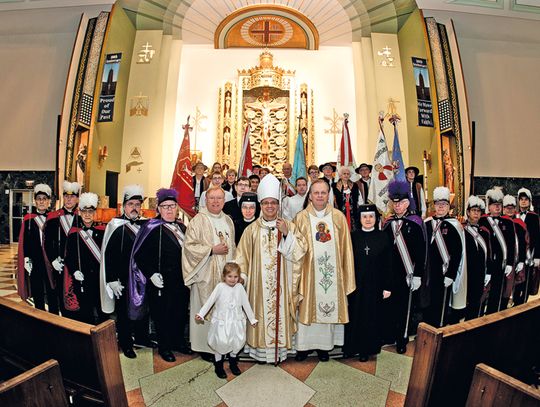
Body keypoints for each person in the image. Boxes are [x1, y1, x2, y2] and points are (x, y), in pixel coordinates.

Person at [235, 174, 307, 363]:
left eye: (273, 203)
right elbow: (241, 256)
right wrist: (242, 276)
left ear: (278, 205)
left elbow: (301, 250)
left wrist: (286, 235)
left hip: (282, 287)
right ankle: (260, 352)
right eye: (266, 203)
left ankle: (280, 352)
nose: (269, 206)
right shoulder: (251, 230)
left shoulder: (288, 225)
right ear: (261, 204)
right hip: (259, 288)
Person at [294, 179, 355, 362]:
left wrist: (346, 274)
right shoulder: (301, 218)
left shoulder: (337, 217)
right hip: (309, 274)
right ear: (310, 196)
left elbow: (346, 248)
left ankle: (324, 347)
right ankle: (303, 348)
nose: (320, 196)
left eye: (323, 192)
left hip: (332, 274)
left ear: (328, 194)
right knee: (306, 310)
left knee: (328, 306)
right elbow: (295, 248)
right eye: (316, 193)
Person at [129, 188, 192, 362]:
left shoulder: (182, 227)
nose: (169, 209)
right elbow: (139, 255)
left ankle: (178, 341)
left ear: (177, 207)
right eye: (165, 206)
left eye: (172, 206)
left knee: (179, 313)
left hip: (181, 280)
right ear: (159, 209)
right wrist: (151, 274)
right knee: (162, 315)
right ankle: (164, 347)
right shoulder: (150, 227)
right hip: (160, 282)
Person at [183, 187, 235, 361]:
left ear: (224, 200)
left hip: (225, 276)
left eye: (219, 198)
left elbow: (233, 248)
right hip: (204, 275)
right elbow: (189, 247)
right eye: (212, 198)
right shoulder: (198, 220)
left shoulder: (228, 220)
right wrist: (211, 250)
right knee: (204, 310)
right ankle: (204, 347)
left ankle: (222, 344)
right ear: (206, 200)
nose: (215, 201)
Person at [100, 185, 153, 359]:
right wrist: (112, 279)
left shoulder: (146, 225)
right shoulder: (116, 226)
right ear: (124, 206)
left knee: (144, 308)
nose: (134, 208)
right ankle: (125, 342)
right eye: (131, 204)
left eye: (138, 204)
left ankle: (142, 338)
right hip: (123, 278)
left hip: (143, 277)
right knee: (124, 312)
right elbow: (108, 254)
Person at [381, 180, 426, 353]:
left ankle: (402, 338)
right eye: (395, 203)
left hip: (407, 274)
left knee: (404, 308)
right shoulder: (387, 224)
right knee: (390, 307)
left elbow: (421, 252)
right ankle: (390, 334)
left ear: (407, 203)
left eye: (401, 203)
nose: (397, 206)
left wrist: (418, 275)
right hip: (390, 274)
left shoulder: (414, 224)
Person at [344, 204, 392, 361]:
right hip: (356, 286)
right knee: (356, 316)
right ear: (359, 219)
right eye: (364, 217)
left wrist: (387, 286)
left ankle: (368, 349)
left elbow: (389, 263)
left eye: (371, 216)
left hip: (376, 286)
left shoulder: (383, 236)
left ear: (376, 218)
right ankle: (353, 347)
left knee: (372, 318)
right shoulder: (353, 237)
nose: (368, 219)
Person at [196, 262, 258, 379]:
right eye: (230, 276)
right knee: (221, 343)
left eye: (235, 277)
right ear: (224, 276)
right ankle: (218, 366)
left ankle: (233, 364)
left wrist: (252, 318)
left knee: (236, 342)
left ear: (239, 277)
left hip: (236, 321)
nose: (232, 279)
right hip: (222, 322)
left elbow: (246, 304)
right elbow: (210, 301)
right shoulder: (220, 287)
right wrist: (201, 314)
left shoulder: (240, 288)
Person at [424, 186, 466, 327]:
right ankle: (426, 331)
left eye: (444, 204)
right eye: (438, 204)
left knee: (440, 304)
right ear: (434, 206)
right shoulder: (427, 224)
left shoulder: (455, 225)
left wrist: (451, 274)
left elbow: (458, 252)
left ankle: (438, 331)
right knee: (427, 303)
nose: (441, 207)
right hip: (428, 272)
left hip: (444, 273)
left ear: (449, 207)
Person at [63, 192, 106, 325]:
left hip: (99, 279)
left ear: (95, 213)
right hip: (82, 278)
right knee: (85, 312)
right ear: (80, 212)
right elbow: (69, 256)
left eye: (90, 211)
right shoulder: (73, 233)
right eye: (84, 211)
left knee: (102, 311)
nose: (87, 214)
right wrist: (75, 270)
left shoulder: (103, 231)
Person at [17, 184, 56, 313]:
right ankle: (39, 320)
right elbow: (25, 242)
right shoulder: (28, 220)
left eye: (44, 199)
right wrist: (26, 258)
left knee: (52, 292)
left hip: (51, 262)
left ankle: (54, 321)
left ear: (49, 201)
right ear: (35, 201)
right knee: (38, 292)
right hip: (36, 262)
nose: (41, 201)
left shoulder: (54, 220)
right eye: (39, 198)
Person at [43, 181, 80, 316]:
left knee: (77, 298)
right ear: (63, 197)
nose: (69, 199)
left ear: (77, 199)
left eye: (72, 196)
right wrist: (53, 260)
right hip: (60, 265)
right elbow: (47, 242)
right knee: (59, 296)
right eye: (66, 196)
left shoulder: (82, 218)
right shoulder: (53, 217)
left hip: (76, 265)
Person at [480, 187, 516, 314]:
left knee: (498, 293)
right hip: (486, 264)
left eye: (499, 205)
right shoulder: (482, 221)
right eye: (494, 205)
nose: (497, 207)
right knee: (482, 295)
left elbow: (512, 245)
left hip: (501, 264)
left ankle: (493, 316)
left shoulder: (508, 222)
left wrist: (510, 263)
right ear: (488, 207)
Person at [463, 196, 491, 320]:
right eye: (473, 210)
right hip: (466, 272)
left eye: (478, 211)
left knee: (477, 302)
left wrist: (488, 272)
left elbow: (488, 253)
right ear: (468, 212)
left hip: (480, 273)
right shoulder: (462, 229)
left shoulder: (484, 231)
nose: (476, 213)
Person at [502, 195, 527, 305]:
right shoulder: (499, 222)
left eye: (512, 207)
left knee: (516, 285)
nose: (509, 210)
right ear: (503, 209)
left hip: (516, 259)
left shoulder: (519, 222)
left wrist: (521, 260)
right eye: (507, 207)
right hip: (503, 259)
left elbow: (523, 243)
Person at [517, 187, 539, 300]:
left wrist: (537, 257)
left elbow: (538, 237)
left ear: (529, 201)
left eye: (526, 199)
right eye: (521, 199)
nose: (523, 201)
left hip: (529, 255)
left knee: (526, 284)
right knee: (516, 284)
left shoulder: (534, 217)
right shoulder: (515, 216)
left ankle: (522, 304)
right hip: (517, 255)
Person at [333, 167, 361, 231]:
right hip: (339, 212)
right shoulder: (334, 186)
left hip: (353, 212)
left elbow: (358, 199)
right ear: (340, 175)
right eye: (344, 174)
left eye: (348, 174)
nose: (346, 175)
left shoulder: (354, 185)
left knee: (353, 230)